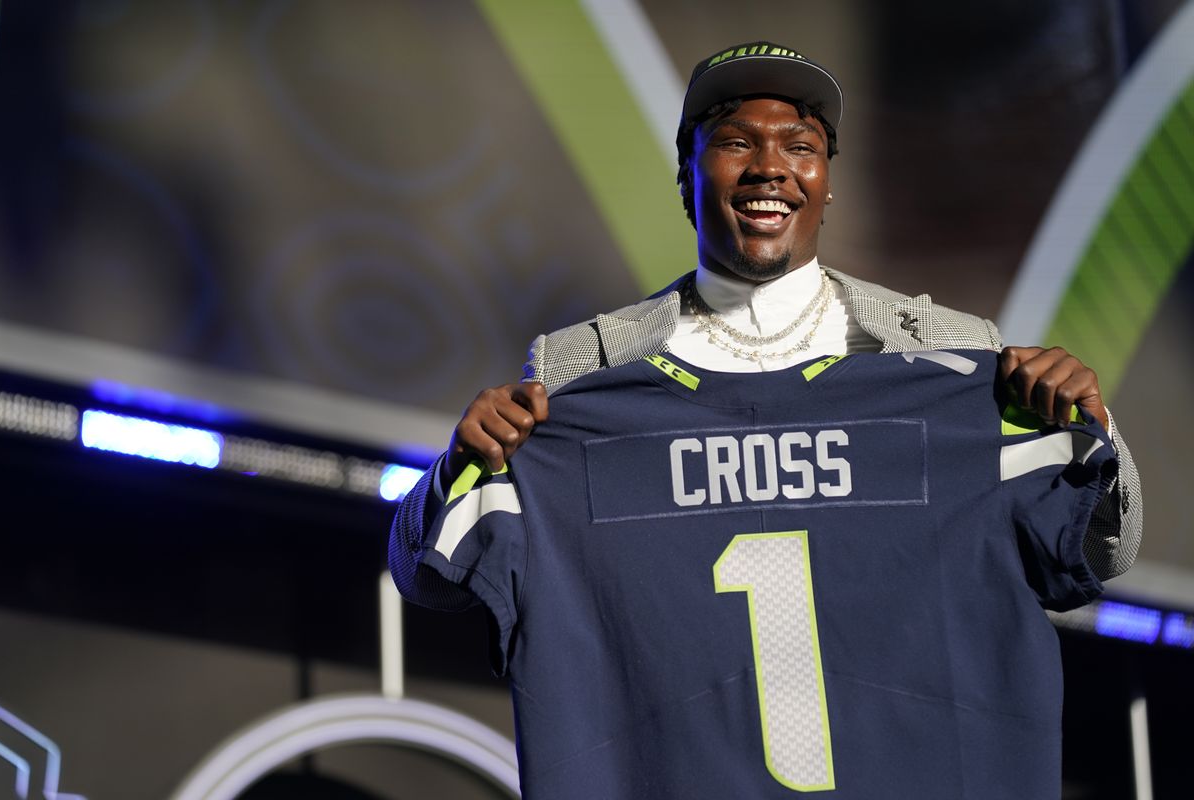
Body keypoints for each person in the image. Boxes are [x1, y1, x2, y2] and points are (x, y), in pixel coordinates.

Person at [390, 42, 1142, 798]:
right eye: (735, 143)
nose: (770, 167)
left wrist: (1093, 427)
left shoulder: (952, 360)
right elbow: (427, 577)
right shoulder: (580, 377)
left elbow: (1108, 552)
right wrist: (458, 468)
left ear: (826, 187)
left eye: (801, 147)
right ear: (686, 181)